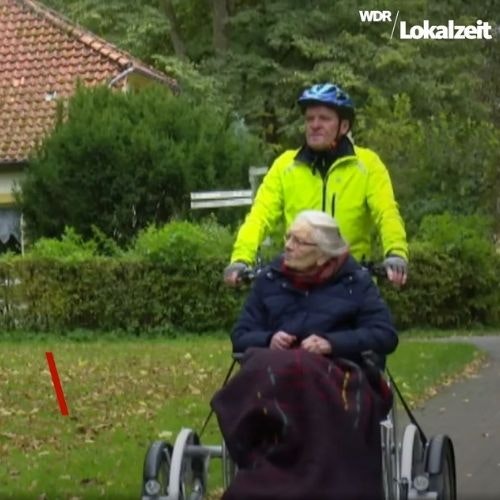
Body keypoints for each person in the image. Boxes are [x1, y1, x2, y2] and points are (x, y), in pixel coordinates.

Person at [211, 210, 398, 500]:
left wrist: (331, 343)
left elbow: (384, 335)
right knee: (267, 372)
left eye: (298, 241)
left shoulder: (355, 283)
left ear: (323, 255)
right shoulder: (269, 280)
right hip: (274, 379)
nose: (287, 245)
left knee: (306, 373)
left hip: (336, 375)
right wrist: (268, 339)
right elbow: (241, 335)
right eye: (288, 237)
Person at [224, 82, 408, 287]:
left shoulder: (367, 164)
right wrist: (241, 258)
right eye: (310, 118)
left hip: (350, 283)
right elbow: (259, 216)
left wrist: (395, 253)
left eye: (324, 118)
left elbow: (387, 213)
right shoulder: (285, 165)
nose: (314, 124)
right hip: (298, 283)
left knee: (374, 319)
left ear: (344, 126)